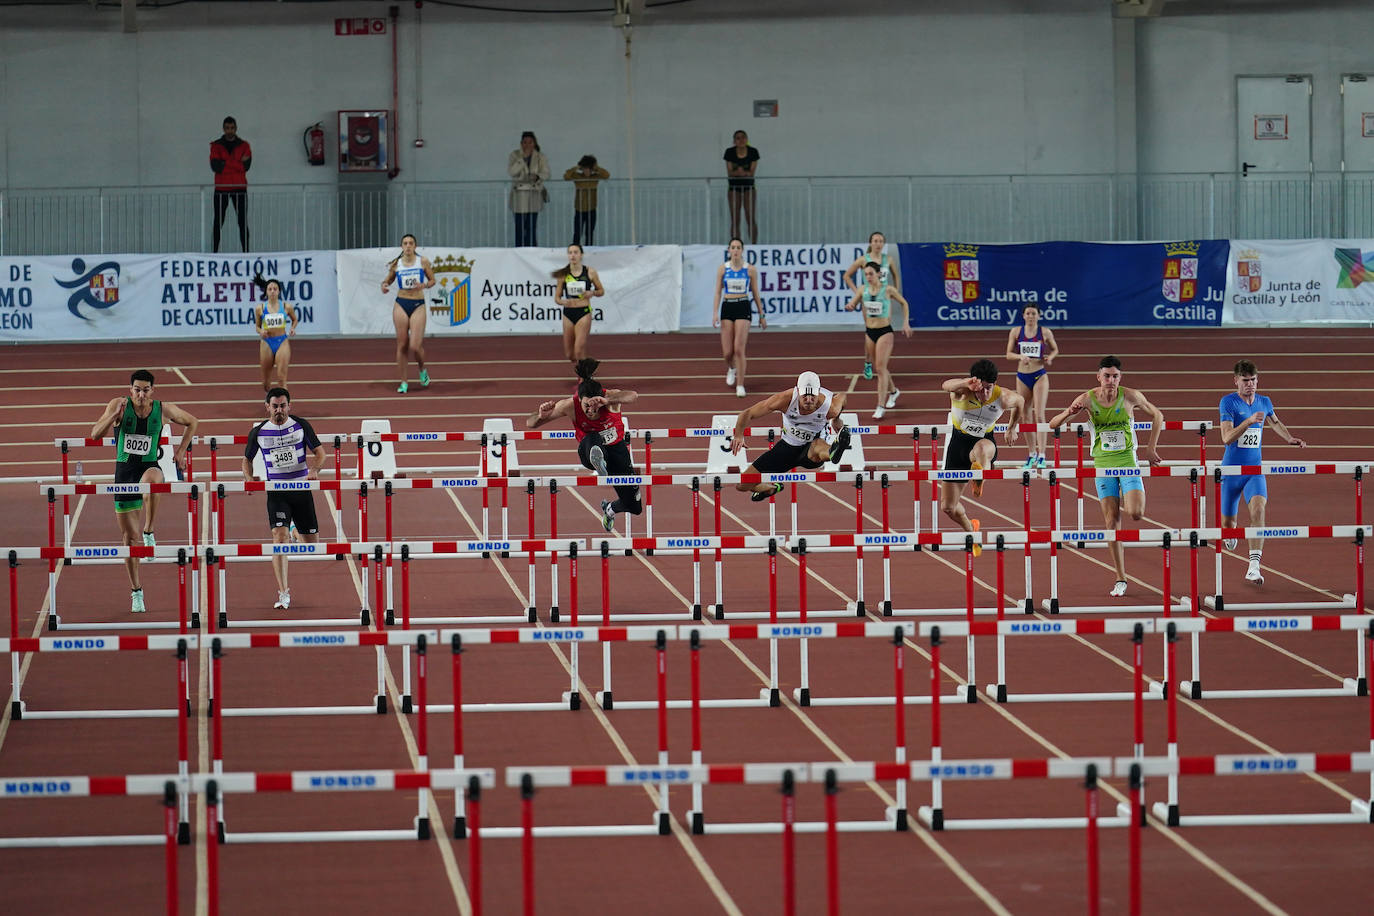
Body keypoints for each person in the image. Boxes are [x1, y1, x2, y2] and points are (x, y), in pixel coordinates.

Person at [1048, 356, 1165, 597]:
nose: (1111, 380)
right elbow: (1053, 424)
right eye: (1107, 376)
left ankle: (1129, 494)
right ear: (1099, 377)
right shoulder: (1086, 399)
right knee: (1112, 522)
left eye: (1115, 376)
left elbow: (1158, 415)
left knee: (1136, 513)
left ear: (1120, 378)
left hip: (1127, 461)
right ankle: (1121, 578)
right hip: (1102, 464)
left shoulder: (1131, 395)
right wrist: (1069, 412)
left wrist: (1150, 448)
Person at [89, 370, 199, 614]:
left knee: (151, 484)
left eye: (145, 390)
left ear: (152, 391)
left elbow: (193, 422)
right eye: (136, 390)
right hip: (124, 473)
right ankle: (136, 591)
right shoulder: (118, 405)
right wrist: (113, 418)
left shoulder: (163, 409)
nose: (140, 394)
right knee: (129, 540)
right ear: (131, 390)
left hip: (149, 467)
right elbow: (95, 434)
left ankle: (149, 529)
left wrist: (181, 451)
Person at [1218, 359, 1307, 587]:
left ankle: (1254, 566)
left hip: (1254, 471)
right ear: (1236, 380)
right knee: (1228, 527)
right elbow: (1226, 438)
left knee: (1258, 510)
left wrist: (1289, 437)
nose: (1250, 385)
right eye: (1246, 380)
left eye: (1254, 380)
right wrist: (1247, 421)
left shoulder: (1264, 401)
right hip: (1230, 472)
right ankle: (1231, 535)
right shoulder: (1227, 403)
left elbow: (1275, 422)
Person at [526, 359, 642, 532]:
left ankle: (609, 509)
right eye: (586, 405)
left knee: (634, 506)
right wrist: (541, 415)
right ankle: (598, 460)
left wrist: (606, 400)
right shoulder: (569, 405)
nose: (590, 410)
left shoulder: (611, 398)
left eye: (594, 406)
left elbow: (633, 395)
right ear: (579, 399)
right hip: (589, 450)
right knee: (592, 439)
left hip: (617, 451)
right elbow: (530, 423)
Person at [242, 388, 325, 611]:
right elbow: (246, 460)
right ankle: (283, 592)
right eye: (275, 406)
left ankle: (296, 529)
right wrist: (249, 478)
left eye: (283, 406)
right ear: (267, 407)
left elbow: (320, 453)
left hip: (301, 489)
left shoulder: (301, 425)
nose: (279, 410)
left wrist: (315, 469)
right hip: (277, 493)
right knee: (279, 540)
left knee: (312, 546)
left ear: (289, 406)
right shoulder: (259, 432)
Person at [938, 360, 1024, 557]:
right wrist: (965, 383)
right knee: (948, 507)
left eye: (989, 388)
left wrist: (1012, 428)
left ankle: (980, 476)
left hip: (985, 441)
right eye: (981, 389)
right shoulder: (962, 391)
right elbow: (946, 385)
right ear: (974, 382)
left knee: (982, 448)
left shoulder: (1001, 396)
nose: (985, 394)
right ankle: (972, 532)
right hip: (958, 445)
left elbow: (1020, 402)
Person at [730, 371, 851, 501]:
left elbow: (842, 397)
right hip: (787, 447)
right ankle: (771, 488)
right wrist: (738, 436)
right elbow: (747, 413)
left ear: (818, 392)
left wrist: (836, 419)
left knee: (817, 446)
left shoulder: (830, 406)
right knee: (742, 485)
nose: (809, 400)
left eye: (813, 397)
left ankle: (833, 451)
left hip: (811, 449)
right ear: (798, 391)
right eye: (805, 395)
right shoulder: (784, 400)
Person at [844, 261, 912, 419]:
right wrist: (851, 305)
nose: (868, 276)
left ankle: (880, 406)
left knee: (881, 368)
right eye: (865, 274)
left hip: (884, 332)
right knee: (879, 367)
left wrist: (905, 322)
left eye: (870, 274)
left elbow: (904, 303)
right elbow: (854, 302)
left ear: (878, 274)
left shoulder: (888, 290)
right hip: (870, 332)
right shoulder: (862, 290)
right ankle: (894, 392)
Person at [1004, 303, 1060, 468]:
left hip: (1039, 375)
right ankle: (1032, 454)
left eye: (1033, 313)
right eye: (1028, 313)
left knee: (1040, 415)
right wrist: (1020, 357)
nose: (1030, 316)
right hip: (1022, 376)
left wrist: (1050, 358)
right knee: (1025, 415)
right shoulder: (1016, 332)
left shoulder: (1045, 332)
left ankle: (1042, 455)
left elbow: (1055, 349)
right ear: (1023, 316)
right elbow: (1008, 354)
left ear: (1038, 316)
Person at [711, 238, 767, 398]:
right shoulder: (723, 269)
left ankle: (740, 384)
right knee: (727, 353)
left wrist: (762, 315)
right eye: (733, 247)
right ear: (729, 250)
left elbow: (756, 293)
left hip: (743, 306)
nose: (735, 250)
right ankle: (731, 368)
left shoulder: (750, 270)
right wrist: (715, 312)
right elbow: (717, 292)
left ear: (742, 250)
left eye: (738, 247)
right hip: (728, 306)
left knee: (738, 349)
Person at [380, 233, 435, 394]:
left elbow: (433, 280)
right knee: (402, 345)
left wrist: (423, 285)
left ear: (415, 246)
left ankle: (422, 369)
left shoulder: (422, 261)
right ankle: (404, 382)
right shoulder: (397, 263)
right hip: (401, 303)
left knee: (415, 346)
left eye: (411, 243)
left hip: (418, 304)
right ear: (402, 246)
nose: (408, 246)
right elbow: (388, 280)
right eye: (405, 243)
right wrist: (384, 285)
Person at [843, 232, 902, 380]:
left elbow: (895, 275)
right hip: (869, 301)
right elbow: (847, 276)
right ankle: (868, 362)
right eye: (875, 241)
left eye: (881, 241)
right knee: (870, 331)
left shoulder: (888, 259)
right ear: (871, 243)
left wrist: (895, 291)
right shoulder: (864, 259)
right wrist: (859, 293)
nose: (878, 243)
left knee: (884, 329)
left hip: (884, 300)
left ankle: (880, 363)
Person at [552, 244, 605, 364]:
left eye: (576, 252)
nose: (573, 255)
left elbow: (601, 291)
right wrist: (562, 301)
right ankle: (589, 365)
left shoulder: (590, 272)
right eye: (570, 252)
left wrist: (592, 293)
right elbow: (557, 297)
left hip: (583, 312)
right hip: (568, 313)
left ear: (581, 255)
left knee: (578, 349)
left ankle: (583, 377)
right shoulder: (563, 274)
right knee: (570, 354)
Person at [209, 116, 251, 253]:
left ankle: (246, 253)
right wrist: (237, 163)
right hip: (222, 189)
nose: (229, 131)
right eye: (227, 128)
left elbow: (246, 166)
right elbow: (215, 167)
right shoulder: (216, 145)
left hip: (239, 189)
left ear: (236, 128)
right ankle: (214, 253)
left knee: (243, 222)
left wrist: (225, 163)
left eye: (232, 128)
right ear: (223, 128)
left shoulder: (244, 145)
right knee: (218, 222)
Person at [252, 276, 299, 392]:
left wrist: (292, 328)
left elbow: (295, 319)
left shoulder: (286, 306)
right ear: (266, 291)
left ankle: (285, 407)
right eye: (270, 289)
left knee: (282, 378)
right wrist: (261, 331)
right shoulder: (260, 308)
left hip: (282, 341)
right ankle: (270, 400)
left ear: (279, 291)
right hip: (267, 343)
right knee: (266, 383)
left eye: (275, 289)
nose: (272, 291)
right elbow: (257, 327)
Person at [508, 131, 550, 247]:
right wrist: (523, 159)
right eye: (525, 142)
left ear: (534, 143)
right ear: (521, 144)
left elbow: (546, 173)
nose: (527, 145)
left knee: (531, 227)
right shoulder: (515, 155)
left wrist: (537, 176)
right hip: (519, 195)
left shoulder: (540, 157)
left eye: (530, 142)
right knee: (520, 227)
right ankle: (519, 252)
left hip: (533, 194)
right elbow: (512, 172)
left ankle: (532, 253)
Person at [564, 155, 610, 246]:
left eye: (589, 168)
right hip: (579, 209)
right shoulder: (577, 176)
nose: (587, 171)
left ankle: (589, 251)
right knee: (577, 233)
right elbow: (566, 176)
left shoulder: (595, 177)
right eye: (585, 168)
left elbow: (606, 175)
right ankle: (575, 251)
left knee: (589, 233)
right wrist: (577, 167)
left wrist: (597, 168)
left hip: (591, 209)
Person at [723, 129, 760, 243]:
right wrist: (741, 173)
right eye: (738, 138)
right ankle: (736, 246)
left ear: (747, 139)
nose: (741, 140)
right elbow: (730, 173)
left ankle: (754, 245)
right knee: (735, 218)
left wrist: (740, 173)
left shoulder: (753, 152)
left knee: (750, 217)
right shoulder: (729, 152)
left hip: (749, 187)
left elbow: (751, 173)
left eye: (743, 137)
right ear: (734, 141)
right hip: (734, 188)